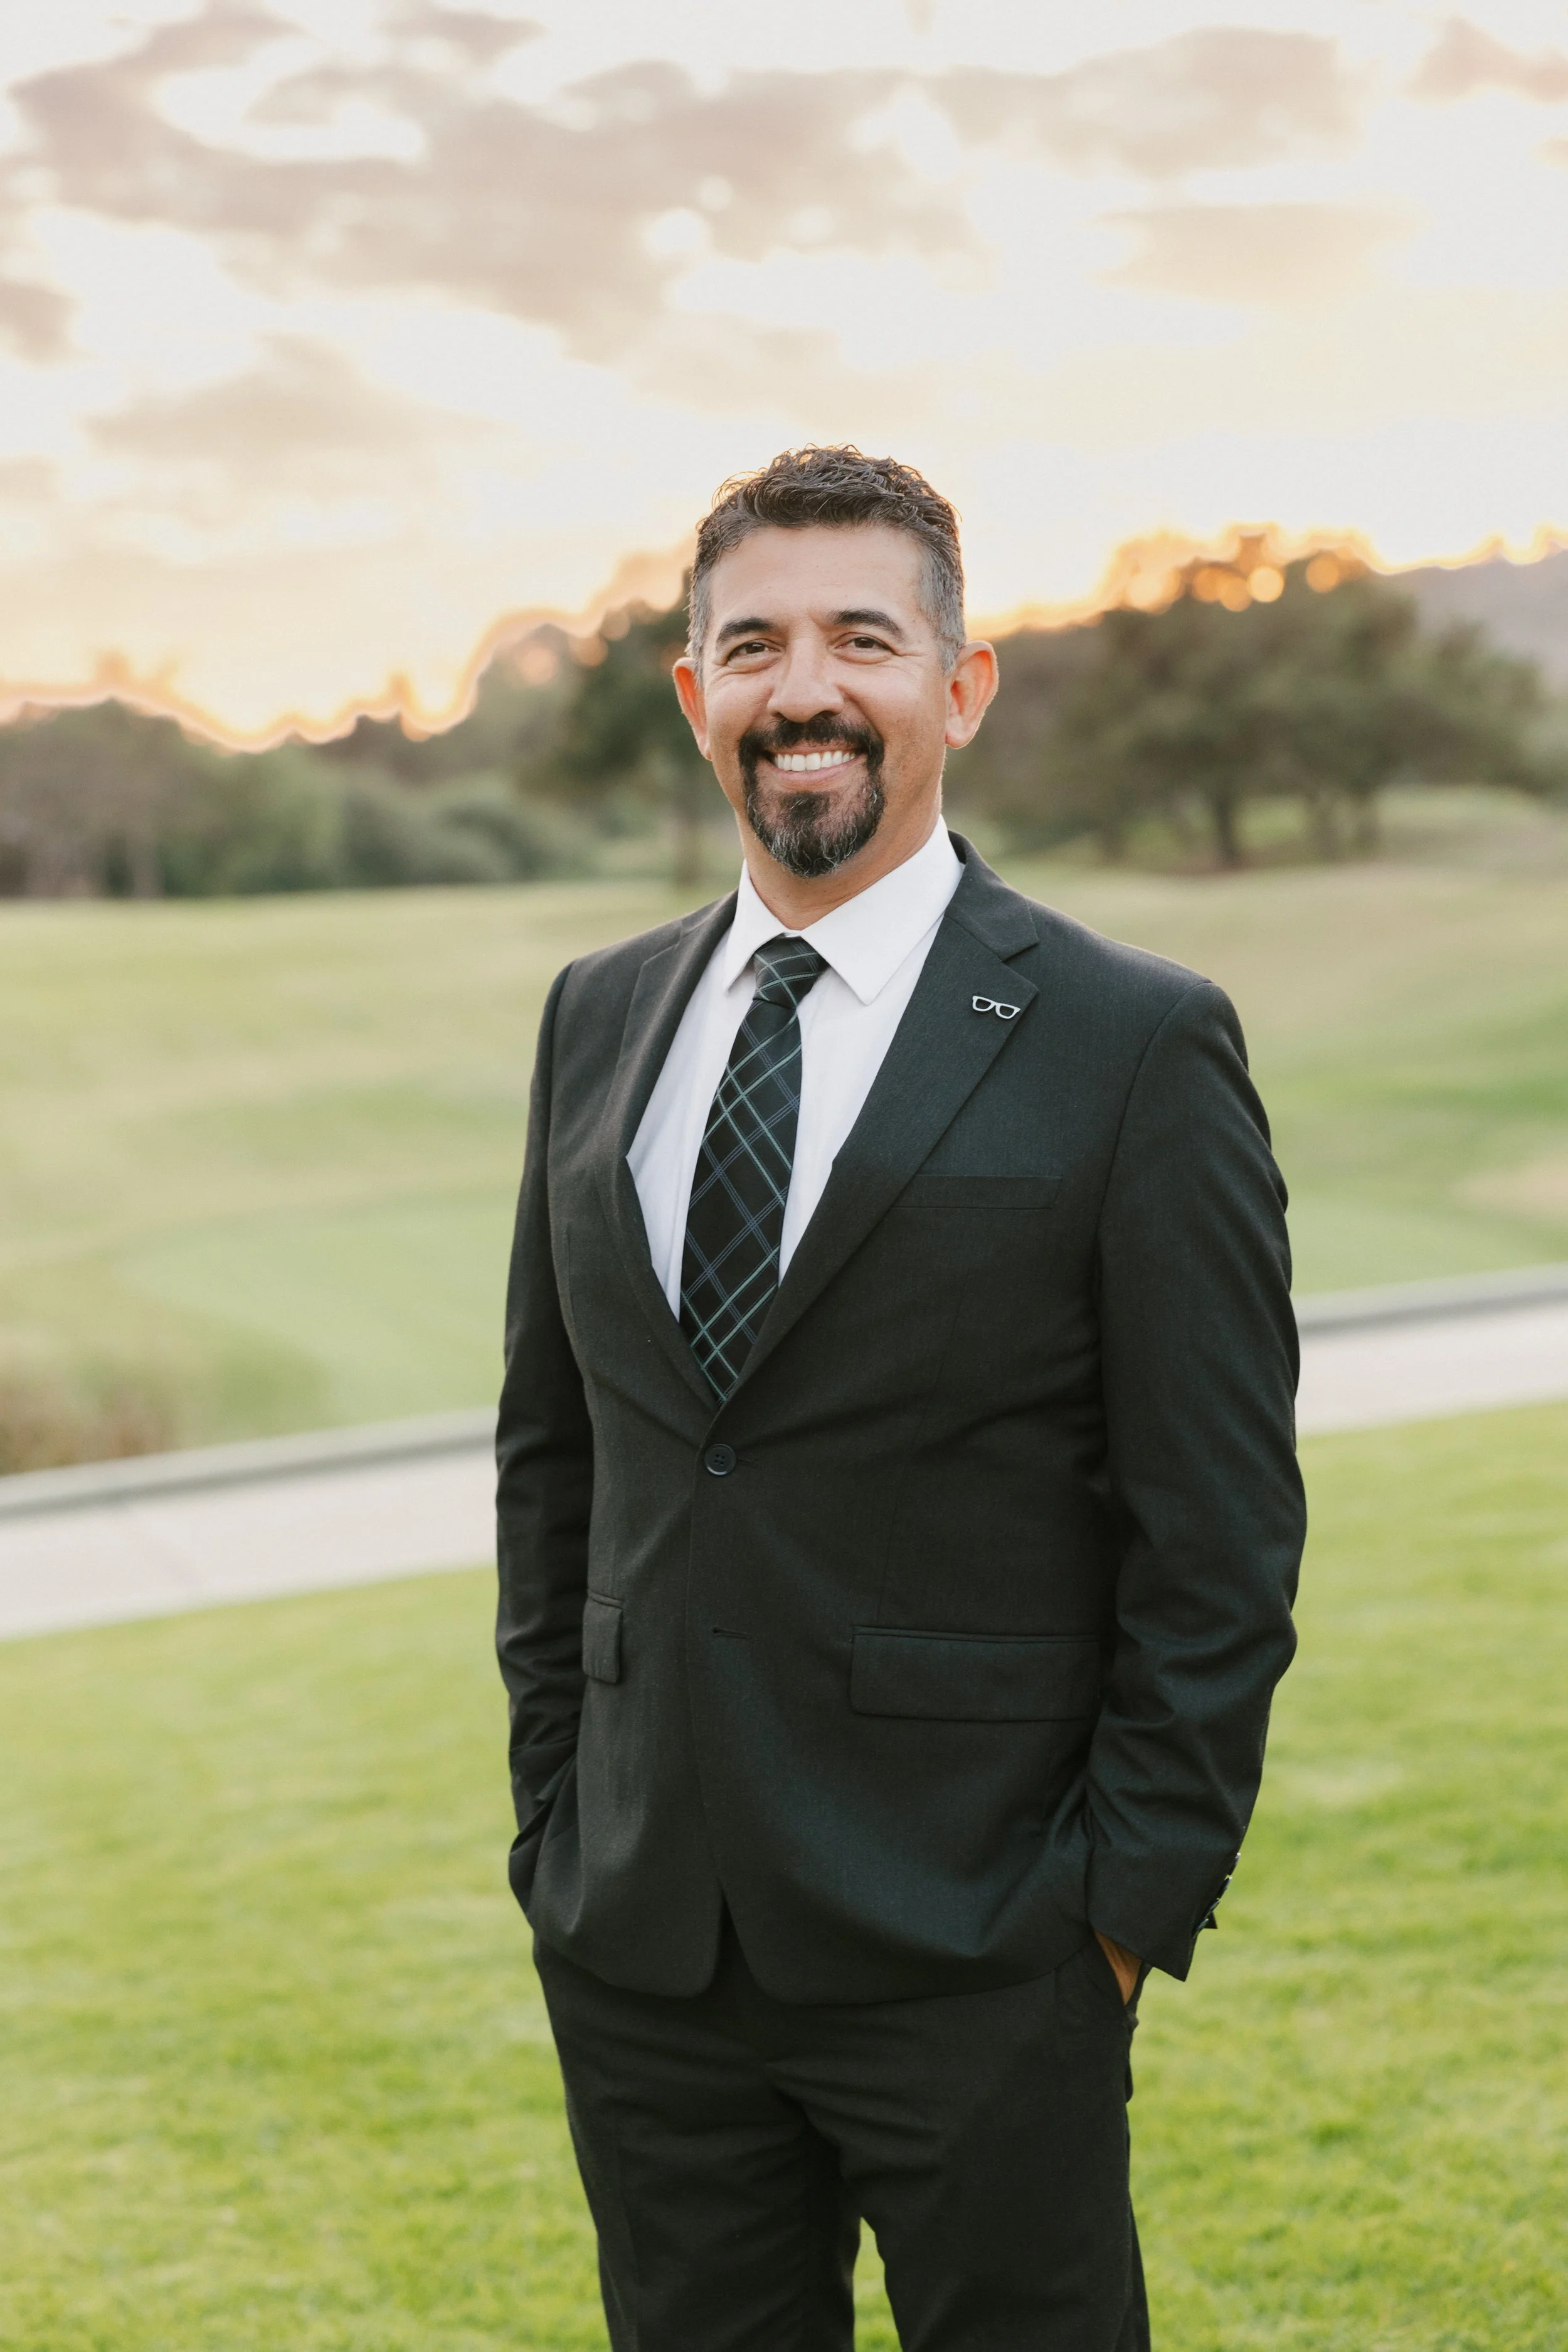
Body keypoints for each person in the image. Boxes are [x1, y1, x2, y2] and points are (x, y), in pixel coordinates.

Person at [495, 445, 1305, 2351]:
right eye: (752, 643)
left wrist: (1111, 1911)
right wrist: (557, 1817)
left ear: (960, 683)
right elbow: (561, 1457)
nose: (805, 686)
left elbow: (1219, 1528)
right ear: (693, 694)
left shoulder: (1131, 1037)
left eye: (863, 635)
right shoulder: (594, 1015)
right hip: (644, 1944)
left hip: (984, 1948)